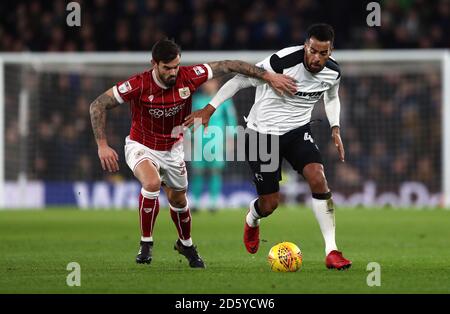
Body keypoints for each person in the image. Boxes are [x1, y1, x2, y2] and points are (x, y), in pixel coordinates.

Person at [89, 38, 297, 268]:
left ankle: (186, 244)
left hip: (173, 149)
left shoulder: (189, 76)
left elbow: (229, 65)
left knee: (179, 199)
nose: (173, 72)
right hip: (141, 145)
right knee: (152, 183)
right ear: (154, 64)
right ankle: (146, 244)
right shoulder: (138, 84)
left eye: (176, 66)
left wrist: (268, 76)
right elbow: (98, 104)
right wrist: (102, 145)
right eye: (167, 68)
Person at [184, 24, 352, 270]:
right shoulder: (282, 60)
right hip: (262, 135)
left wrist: (335, 128)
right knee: (270, 204)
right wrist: (210, 109)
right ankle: (252, 218)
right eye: (313, 51)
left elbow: (331, 96)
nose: (316, 58)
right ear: (306, 45)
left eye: (323, 53)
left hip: (297, 132)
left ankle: (332, 251)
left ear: (331, 51)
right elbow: (241, 80)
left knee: (318, 178)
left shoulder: (333, 72)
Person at [190, 80, 238, 212]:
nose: (208, 85)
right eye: (206, 83)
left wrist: (231, 138)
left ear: (217, 84)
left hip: (217, 139)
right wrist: (189, 138)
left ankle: (214, 201)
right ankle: (195, 201)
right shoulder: (197, 100)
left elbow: (231, 119)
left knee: (215, 170)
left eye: (211, 83)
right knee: (197, 171)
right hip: (199, 139)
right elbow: (190, 119)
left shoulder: (224, 100)